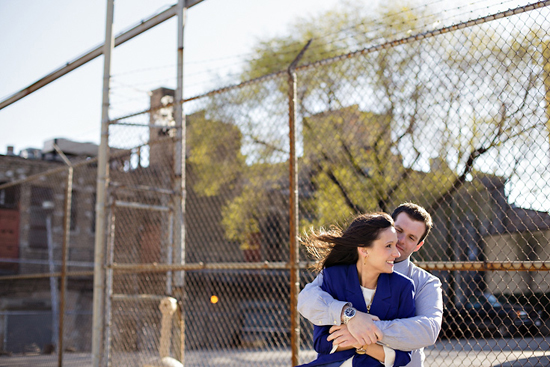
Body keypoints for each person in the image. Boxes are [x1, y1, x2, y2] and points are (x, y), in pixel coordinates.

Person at [298, 203, 443, 367]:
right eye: (399, 231)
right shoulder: (342, 272)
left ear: (418, 246)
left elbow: (428, 330)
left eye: (411, 238)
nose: (401, 241)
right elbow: (306, 299)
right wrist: (349, 314)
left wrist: (365, 330)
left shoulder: (424, 283)